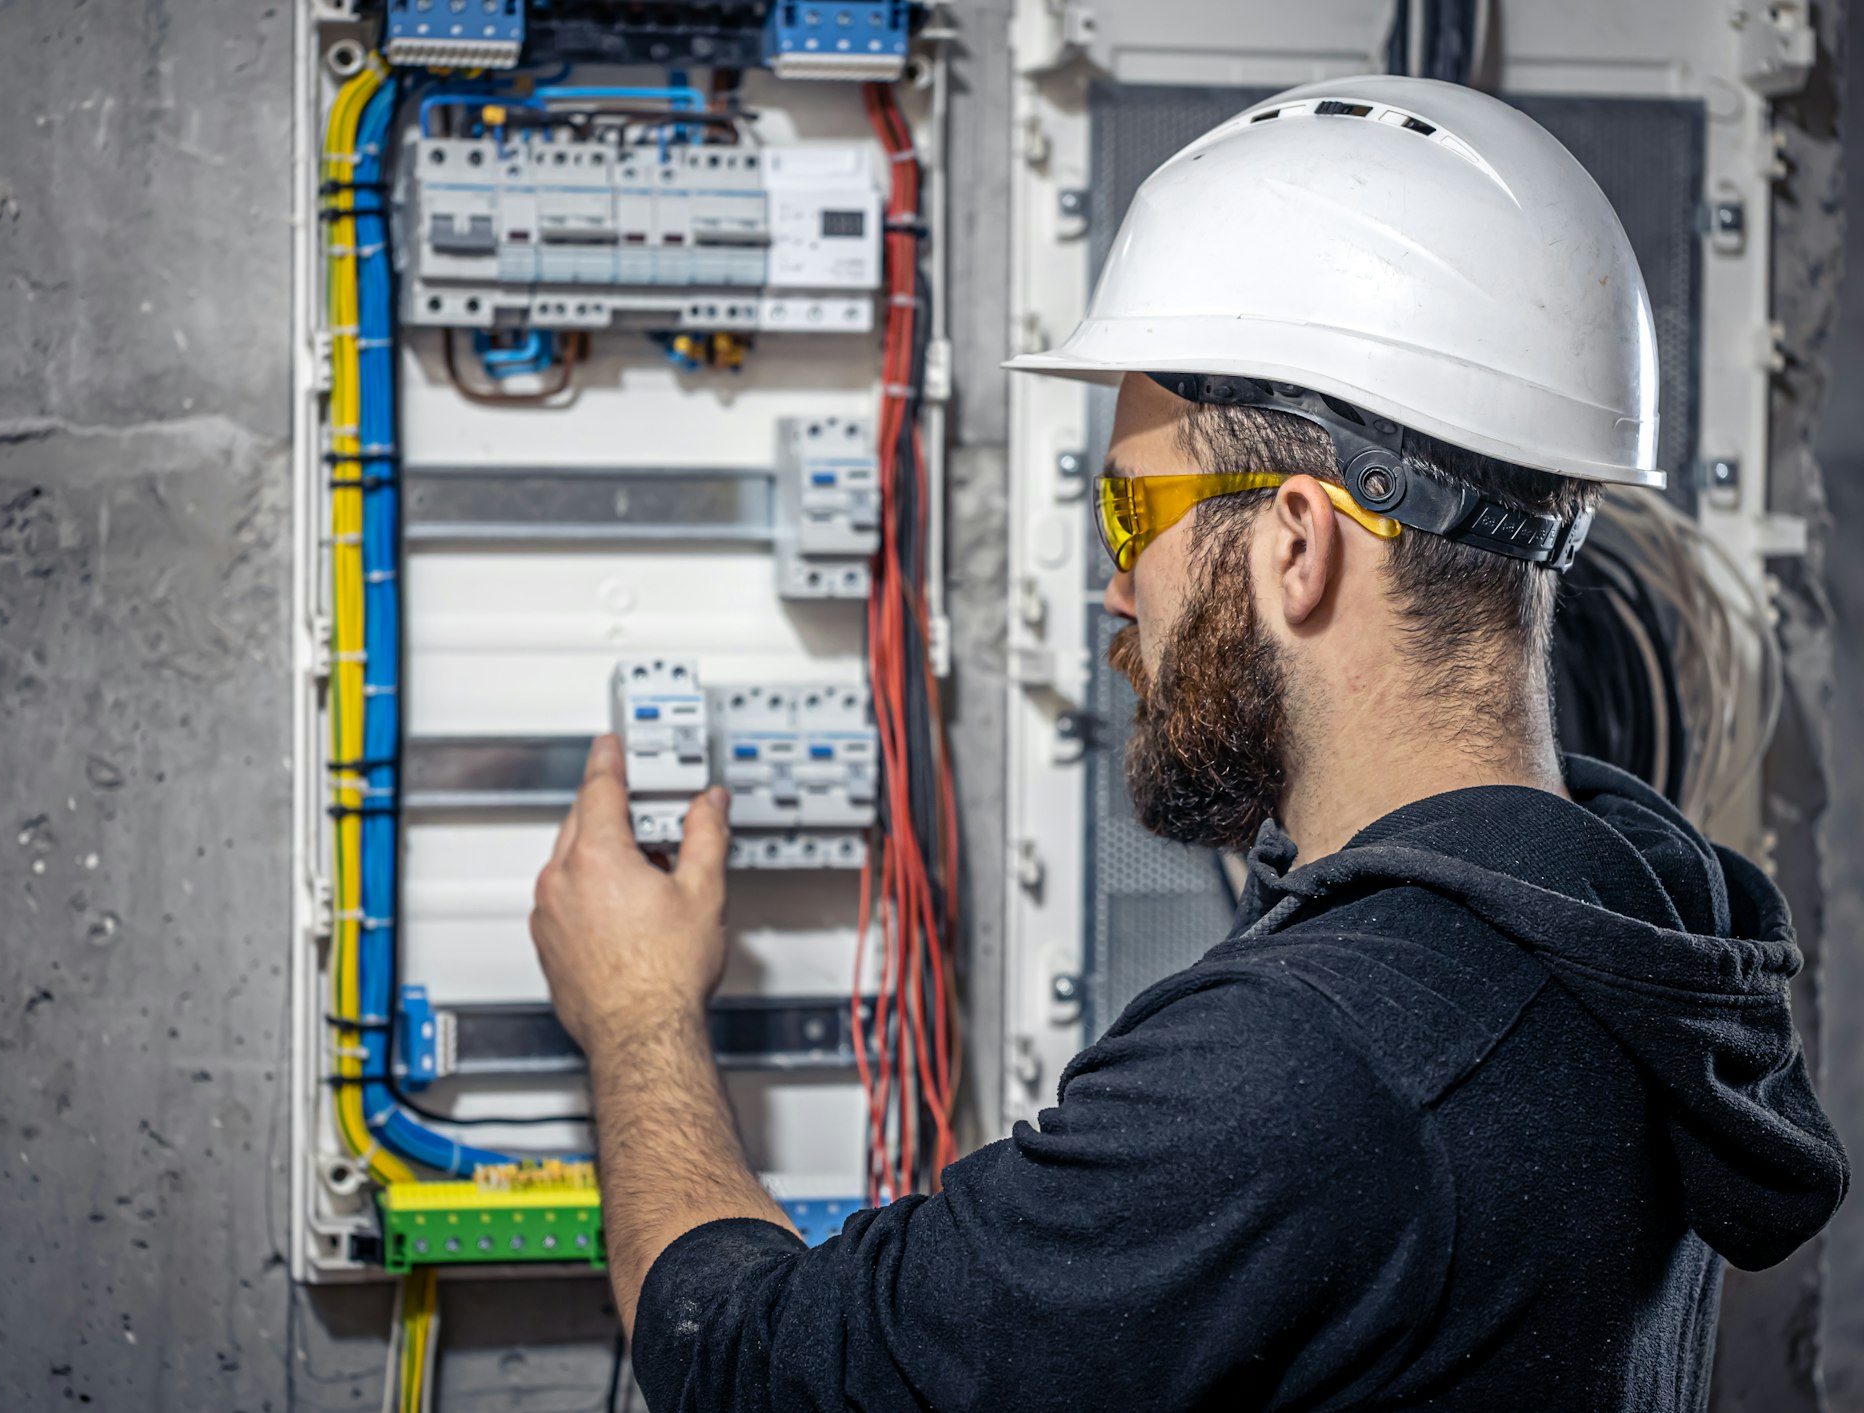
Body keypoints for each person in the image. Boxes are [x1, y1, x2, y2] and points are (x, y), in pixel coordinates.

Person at [528, 76, 1847, 1410]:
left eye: (1128, 520)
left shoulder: (1324, 1064)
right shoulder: (1628, 922)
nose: (1116, 588)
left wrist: (637, 1015)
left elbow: (762, 1373)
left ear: (1295, 541)